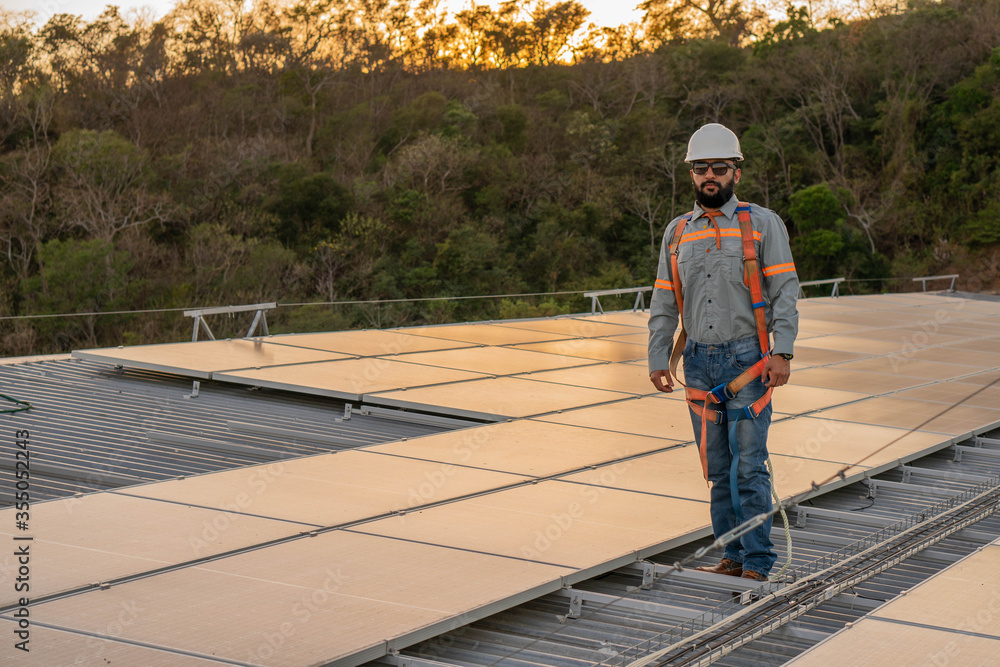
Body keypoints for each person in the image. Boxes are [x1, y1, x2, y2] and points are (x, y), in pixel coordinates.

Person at [647, 123, 799, 582]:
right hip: (698, 363)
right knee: (717, 469)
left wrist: (783, 352)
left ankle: (757, 562)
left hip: (748, 362)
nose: (708, 176)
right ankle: (731, 556)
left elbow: (785, 292)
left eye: (718, 167)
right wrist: (658, 357)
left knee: (749, 468)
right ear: (692, 175)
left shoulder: (762, 224)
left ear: (735, 172)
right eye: (700, 169)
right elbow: (663, 300)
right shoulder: (677, 233)